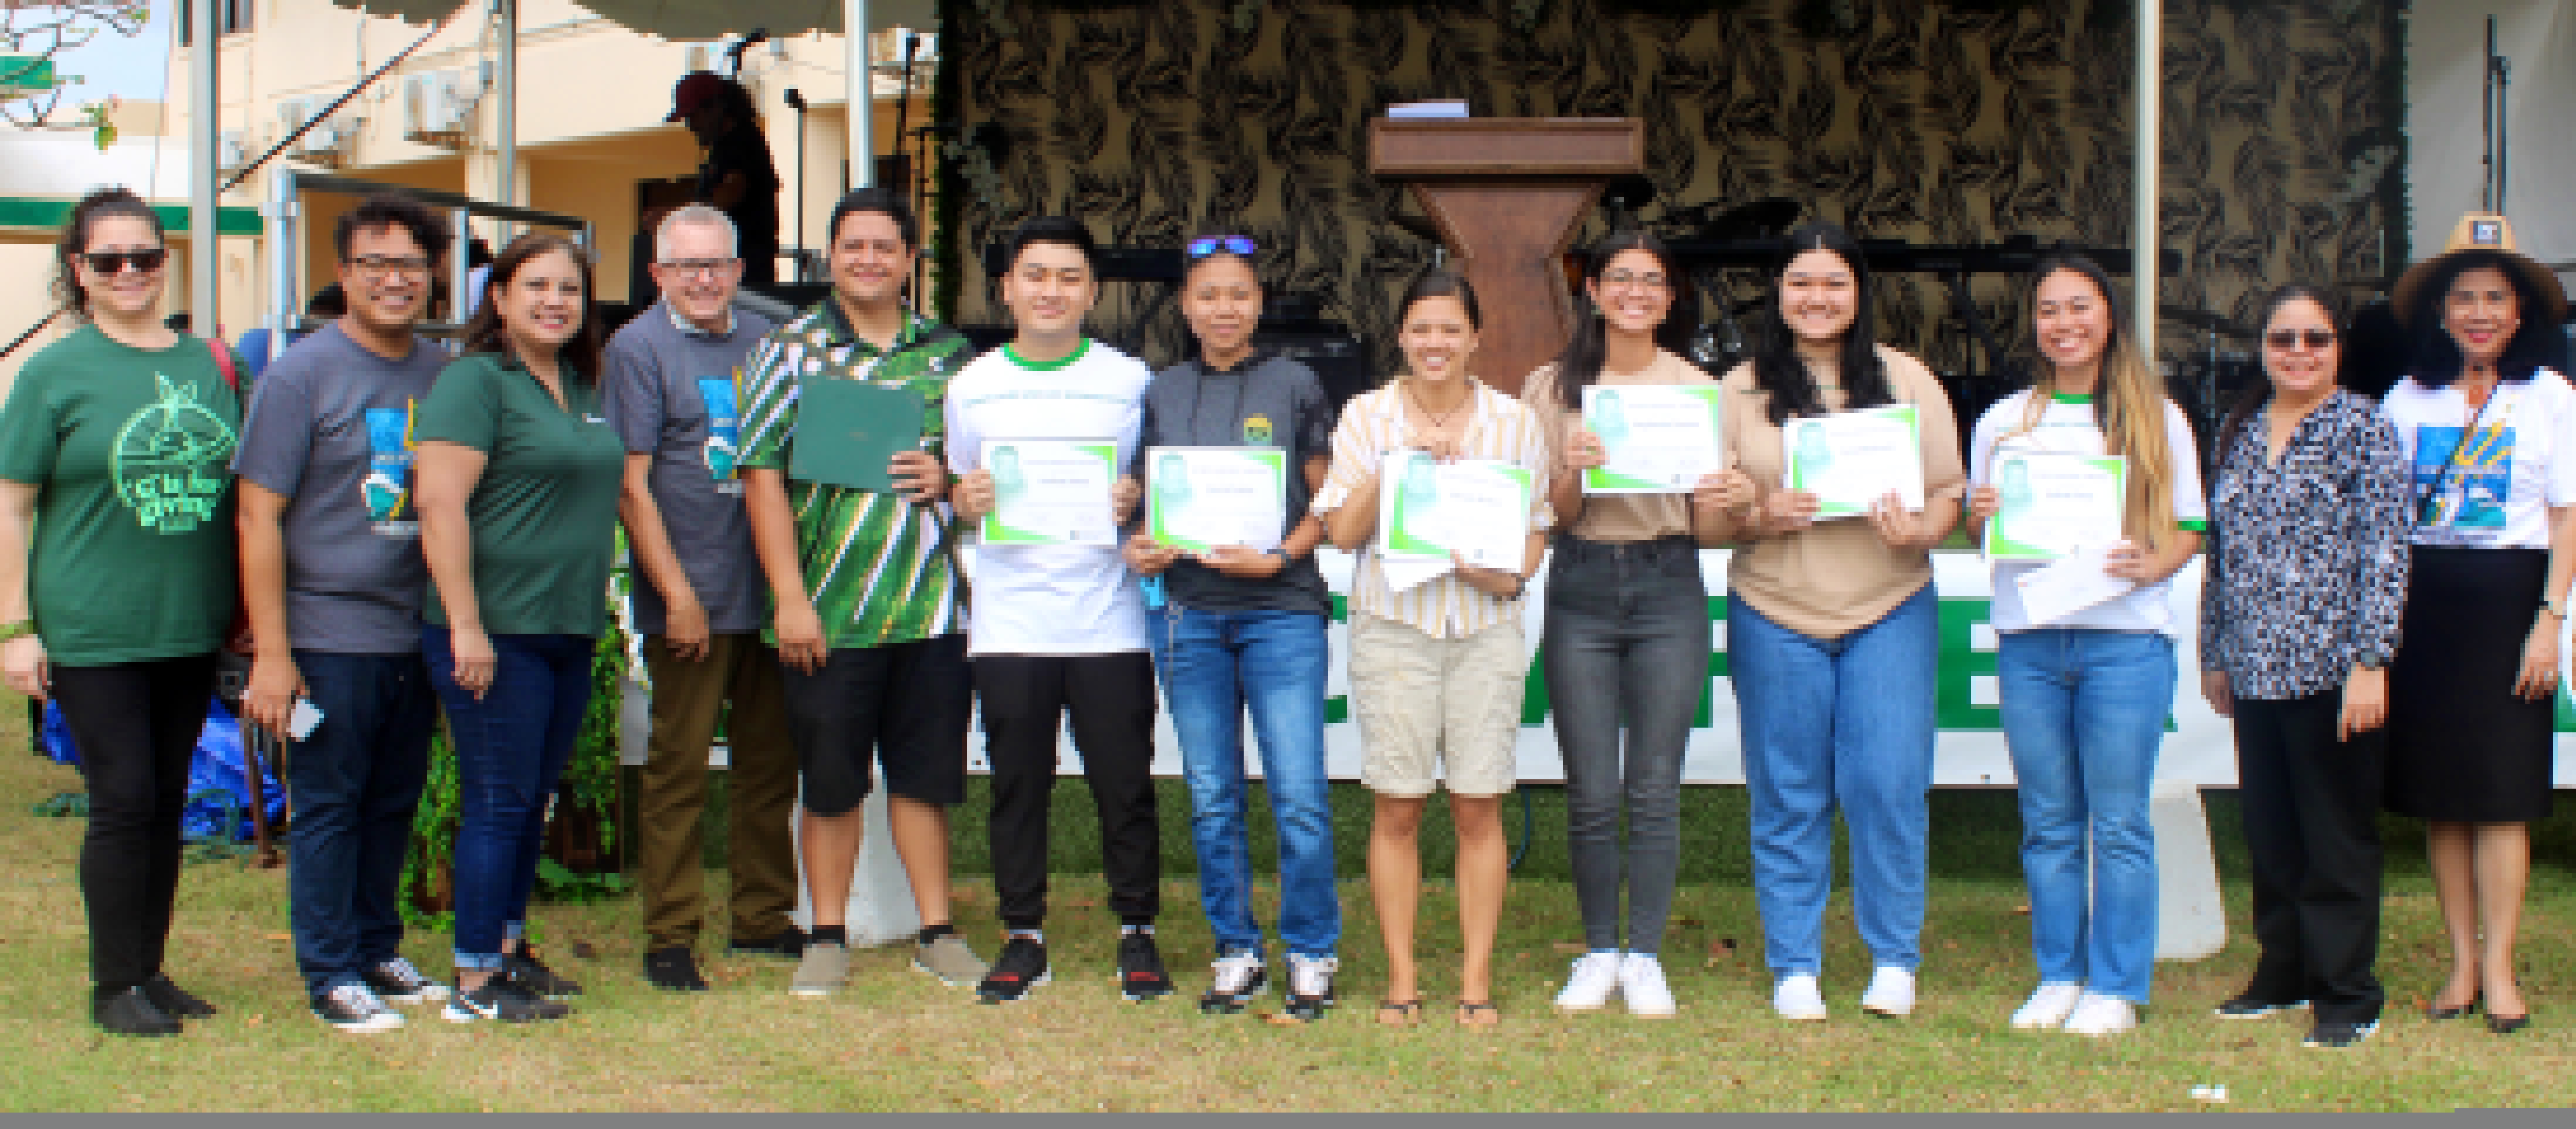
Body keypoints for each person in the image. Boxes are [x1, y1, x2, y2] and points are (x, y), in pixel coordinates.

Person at [1700, 221, 1965, 1022]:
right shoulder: (1738, 390)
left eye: (1833, 284)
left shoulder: (1907, 380)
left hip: (1888, 605)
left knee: (1885, 786)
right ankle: (1793, 964)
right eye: (1800, 284)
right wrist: (1759, 517)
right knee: (1787, 792)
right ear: (1777, 294)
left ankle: (1893, 958)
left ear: (1858, 294)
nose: (1816, 299)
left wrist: (1921, 531)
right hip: (1773, 611)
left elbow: (1948, 493)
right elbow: (1706, 523)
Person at [0, 187, 243, 1037]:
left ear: (165, 259)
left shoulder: (209, 364)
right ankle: (113, 986)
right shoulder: (53, 373)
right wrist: (16, 627)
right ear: (80, 270)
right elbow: (11, 503)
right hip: (93, 627)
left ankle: (149, 968)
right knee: (126, 800)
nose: (130, 272)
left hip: (189, 621)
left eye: (145, 256)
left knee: (169, 799)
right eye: (109, 261)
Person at [736, 187, 984, 999]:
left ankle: (937, 932)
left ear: (911, 261)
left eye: (885, 247)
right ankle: (827, 935)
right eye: (853, 246)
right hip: (828, 611)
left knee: (923, 781)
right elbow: (761, 474)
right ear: (831, 257)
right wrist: (789, 596)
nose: (868, 259)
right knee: (831, 782)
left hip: (927, 608)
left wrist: (948, 481)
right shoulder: (791, 349)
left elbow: (982, 475)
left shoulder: (950, 357)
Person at [1966, 253, 2205, 1038]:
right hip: (2031, 639)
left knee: (2119, 822)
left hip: (2123, 643)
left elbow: (2191, 523)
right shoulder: (2005, 421)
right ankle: (2057, 976)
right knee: (2045, 822)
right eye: (2047, 310)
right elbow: (1978, 532)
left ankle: (2115, 984)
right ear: (2031, 325)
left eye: (2078, 307)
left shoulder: (2153, 414)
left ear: (2107, 317)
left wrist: (2155, 560)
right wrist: (1984, 513)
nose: (2063, 323)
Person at [233, 193, 456, 1033]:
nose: (394, 280)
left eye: (410, 265)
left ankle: (375, 946)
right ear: (344, 274)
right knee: (329, 803)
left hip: (414, 630)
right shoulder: (300, 375)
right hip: (329, 633)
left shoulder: (442, 375)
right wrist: (273, 654)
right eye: (376, 265)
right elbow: (258, 516)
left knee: (393, 798)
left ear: (433, 275)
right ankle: (329, 971)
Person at [1312, 268, 1551, 1027]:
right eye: (1420, 329)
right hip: (1394, 628)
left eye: (1450, 329)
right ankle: (1401, 980)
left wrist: (1509, 575)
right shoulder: (1366, 416)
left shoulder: (1513, 422)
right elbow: (1342, 534)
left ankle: (1474, 982)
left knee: (1479, 809)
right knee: (1397, 809)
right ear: (1400, 337)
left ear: (1475, 337)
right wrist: (1398, 465)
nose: (1435, 343)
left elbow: (1536, 523)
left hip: (1483, 628)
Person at [1116, 231, 1342, 1019]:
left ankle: (1311, 949)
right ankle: (1235, 949)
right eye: (1207, 294)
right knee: (1212, 794)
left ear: (1258, 303)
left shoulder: (1295, 383)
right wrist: (1139, 545)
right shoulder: (1161, 391)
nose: (1223, 308)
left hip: (1280, 613)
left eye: (1238, 294)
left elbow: (1330, 502)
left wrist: (1279, 558)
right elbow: (1146, 502)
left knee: (1298, 793)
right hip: (1188, 616)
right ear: (1185, 305)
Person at [948, 215, 1169, 1005]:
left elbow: (1157, 485)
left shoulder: (1129, 380)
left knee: (1122, 782)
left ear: (1092, 292)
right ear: (1006, 288)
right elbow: (960, 488)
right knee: (1017, 783)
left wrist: (1136, 496)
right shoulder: (971, 385)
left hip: (1107, 618)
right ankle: (1022, 935)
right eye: (1034, 275)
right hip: (1009, 620)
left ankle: (1136, 932)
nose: (1051, 291)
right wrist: (963, 498)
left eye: (1067, 277)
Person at [413, 231, 625, 1023]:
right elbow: (439, 505)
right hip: (492, 629)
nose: (554, 301)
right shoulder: (476, 382)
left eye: (568, 288)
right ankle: (473, 983)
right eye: (534, 285)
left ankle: (506, 949)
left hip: (564, 628)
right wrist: (466, 624)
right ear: (498, 298)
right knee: (499, 801)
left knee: (531, 799)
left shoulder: (579, 385)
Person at [2375, 212, 2576, 1037]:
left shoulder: (2550, 397)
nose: (2478, 313)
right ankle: (2458, 961)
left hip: (2508, 604)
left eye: (2494, 298)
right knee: (2442, 801)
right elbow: (2383, 518)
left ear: (2518, 311)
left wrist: (2546, 622)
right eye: (2463, 298)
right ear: (2440, 312)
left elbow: (2565, 520)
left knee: (2499, 798)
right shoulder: (2404, 397)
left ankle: (2499, 968)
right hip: (2424, 607)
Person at [2198, 285, 2411, 1050]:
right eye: (2281, 339)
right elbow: (2219, 556)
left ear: (2336, 348)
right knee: (2271, 831)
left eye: (2313, 339)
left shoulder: (2363, 428)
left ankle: (2346, 994)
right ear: (2261, 346)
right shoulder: (2240, 430)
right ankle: (2280, 973)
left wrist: (2369, 660)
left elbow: (2384, 554)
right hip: (2253, 667)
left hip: (2331, 671)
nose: (2297, 353)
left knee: (2334, 836)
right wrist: (2213, 653)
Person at [1524, 230, 1731, 1018]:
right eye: (1620, 278)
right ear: (1593, 291)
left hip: (1666, 584)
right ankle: (1597, 949)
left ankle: (1643, 954)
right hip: (1579, 581)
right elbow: (1554, 511)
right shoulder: (1551, 386)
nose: (1635, 292)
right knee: (1589, 787)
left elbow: (1707, 525)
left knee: (1651, 785)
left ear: (1670, 296)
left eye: (1651, 281)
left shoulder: (1694, 388)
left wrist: (1724, 492)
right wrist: (1574, 463)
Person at [604, 204, 801, 993]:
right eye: (686, 267)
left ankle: (761, 916)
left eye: (716, 263)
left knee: (768, 765)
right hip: (690, 593)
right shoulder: (637, 349)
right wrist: (676, 594)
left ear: (739, 267)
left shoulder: (766, 343)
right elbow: (631, 485)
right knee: (678, 769)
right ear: (658, 275)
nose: (704, 279)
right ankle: (670, 933)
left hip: (771, 592)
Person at [669, 72, 781, 288]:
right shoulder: (723, 149)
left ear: (717, 109)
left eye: (693, 116)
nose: (691, 126)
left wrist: (675, 218)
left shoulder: (742, 143)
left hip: (743, 281)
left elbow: (730, 193)